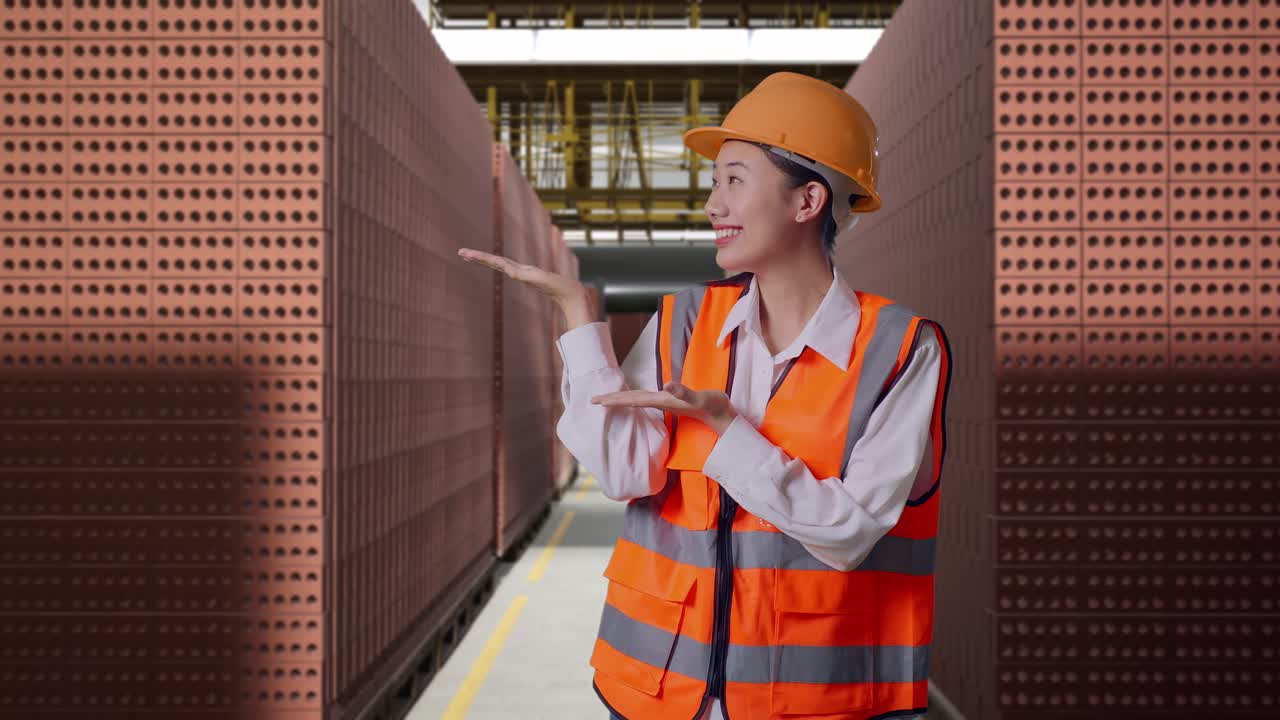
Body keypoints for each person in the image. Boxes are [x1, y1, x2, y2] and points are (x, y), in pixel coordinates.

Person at [459, 71, 952, 720]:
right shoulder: (681, 324)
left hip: (818, 704)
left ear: (807, 202)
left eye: (734, 181)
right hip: (656, 692)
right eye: (714, 183)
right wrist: (579, 320)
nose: (713, 206)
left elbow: (847, 533)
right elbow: (624, 473)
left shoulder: (902, 350)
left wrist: (727, 430)